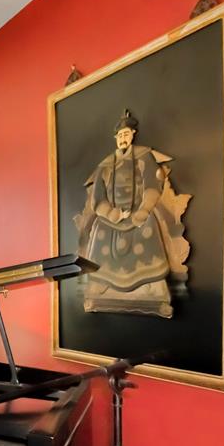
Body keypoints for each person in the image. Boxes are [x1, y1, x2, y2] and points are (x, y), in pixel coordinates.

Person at [76, 110, 189, 318]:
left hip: (139, 213)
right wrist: (112, 214)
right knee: (99, 232)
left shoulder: (144, 156)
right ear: (115, 138)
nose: (122, 139)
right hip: (112, 217)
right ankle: (101, 284)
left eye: (126, 134)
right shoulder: (105, 164)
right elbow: (97, 199)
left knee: (148, 230)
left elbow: (153, 186)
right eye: (119, 136)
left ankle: (152, 286)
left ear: (133, 134)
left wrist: (142, 211)